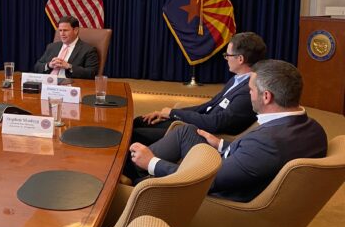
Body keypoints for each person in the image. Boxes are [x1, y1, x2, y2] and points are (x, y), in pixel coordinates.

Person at [125, 59, 328, 202]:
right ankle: (134, 172)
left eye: (251, 90)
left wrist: (153, 163)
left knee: (143, 164)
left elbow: (205, 180)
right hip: (235, 167)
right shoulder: (315, 130)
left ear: (266, 97)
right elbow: (256, 160)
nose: (249, 95)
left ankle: (134, 185)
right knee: (187, 132)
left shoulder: (268, 143)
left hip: (216, 199)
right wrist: (222, 144)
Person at [131, 32, 266, 145]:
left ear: (240, 59)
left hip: (204, 134)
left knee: (135, 134)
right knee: (139, 121)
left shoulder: (249, 90)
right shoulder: (237, 79)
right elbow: (209, 106)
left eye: (228, 55)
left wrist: (173, 114)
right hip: (198, 123)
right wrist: (168, 114)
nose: (226, 59)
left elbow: (216, 123)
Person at [33, 15, 99, 79]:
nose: (62, 34)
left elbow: (92, 73)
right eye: (60, 30)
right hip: (47, 83)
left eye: (65, 30)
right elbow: (37, 66)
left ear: (75, 30)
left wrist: (69, 66)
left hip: (69, 86)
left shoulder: (88, 50)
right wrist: (49, 65)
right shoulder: (52, 46)